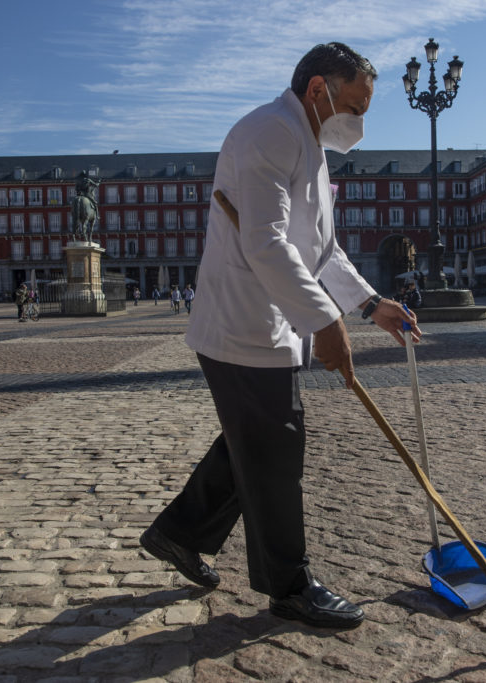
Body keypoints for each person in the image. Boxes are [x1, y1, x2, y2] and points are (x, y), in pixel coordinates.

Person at [139, 42, 420, 632]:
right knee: (276, 451)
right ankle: (289, 587)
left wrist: (369, 305)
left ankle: (178, 533)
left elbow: (320, 249)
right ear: (318, 90)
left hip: (269, 323)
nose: (361, 122)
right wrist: (325, 321)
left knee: (254, 443)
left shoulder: (307, 144)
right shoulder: (269, 132)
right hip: (244, 325)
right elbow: (266, 243)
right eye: (355, 105)